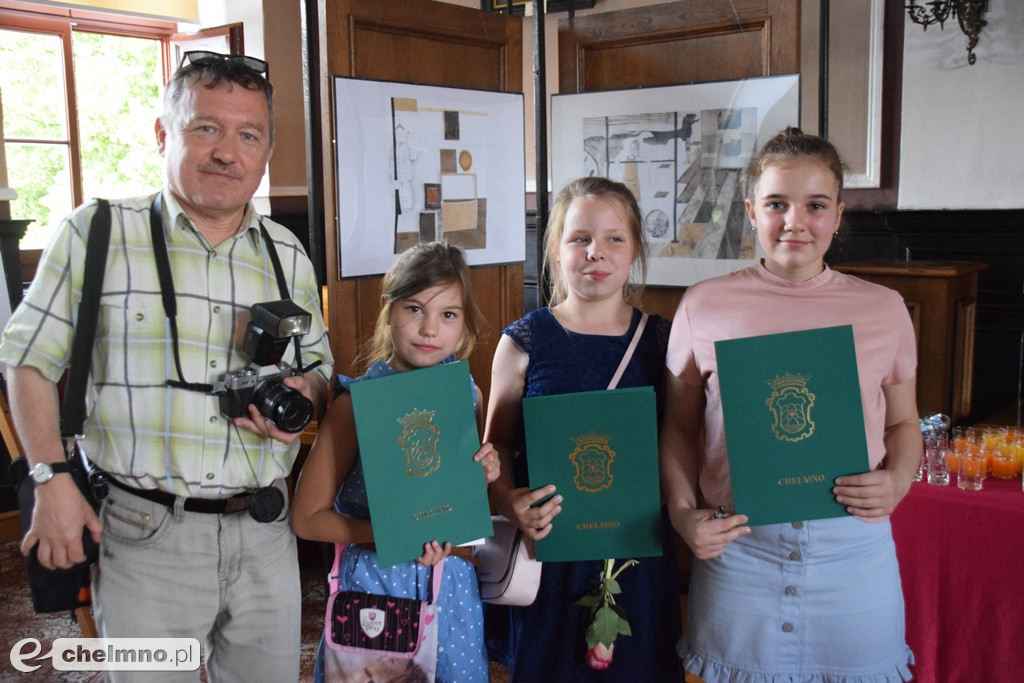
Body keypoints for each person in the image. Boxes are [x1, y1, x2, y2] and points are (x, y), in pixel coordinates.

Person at [0, 52, 333, 680]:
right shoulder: (96, 232)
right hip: (144, 536)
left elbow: (319, 362)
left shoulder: (285, 251)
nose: (226, 152)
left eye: (248, 134)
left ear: (266, 150)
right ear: (163, 134)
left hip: (266, 532)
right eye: (205, 128)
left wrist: (303, 391)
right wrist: (49, 480)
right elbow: (26, 361)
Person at [660, 127, 920, 682]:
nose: (794, 222)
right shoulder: (704, 305)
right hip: (738, 550)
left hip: (852, 550)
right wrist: (683, 514)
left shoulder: (884, 309)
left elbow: (903, 421)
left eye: (815, 205)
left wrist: (897, 479)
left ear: (839, 214)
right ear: (752, 211)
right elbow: (680, 430)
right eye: (777, 204)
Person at [484, 176, 682, 681]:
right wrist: (510, 501)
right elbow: (497, 446)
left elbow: (683, 440)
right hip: (552, 552)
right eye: (580, 239)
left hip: (637, 554)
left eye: (614, 238)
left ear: (635, 248)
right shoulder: (524, 342)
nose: (597, 252)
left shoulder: (662, 341)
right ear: (555, 249)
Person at [291, 241, 501, 683]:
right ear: (388, 309)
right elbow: (307, 519)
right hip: (376, 584)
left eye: (448, 314)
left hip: (450, 583)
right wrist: (395, 538)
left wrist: (482, 476)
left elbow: (451, 504)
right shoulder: (356, 405)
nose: (430, 329)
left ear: (463, 322)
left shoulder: (468, 397)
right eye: (414, 309)